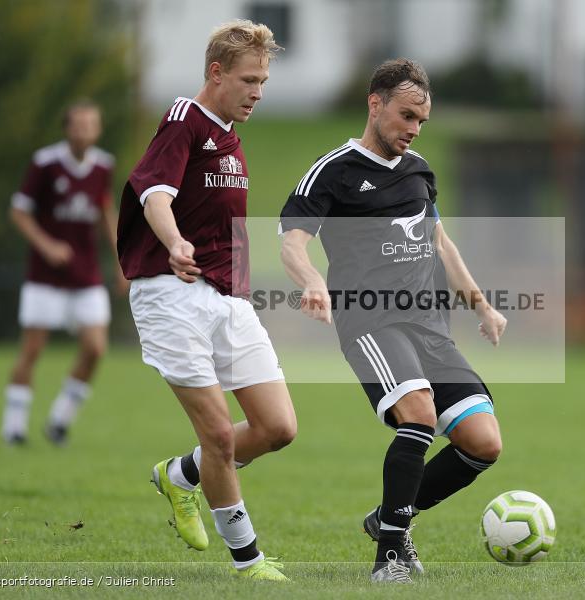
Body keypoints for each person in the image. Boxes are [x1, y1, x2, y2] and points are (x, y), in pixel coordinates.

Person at [280, 58, 506, 583]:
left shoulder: (419, 170)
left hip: (430, 326)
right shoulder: (333, 171)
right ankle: (389, 558)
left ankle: (388, 517)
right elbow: (292, 242)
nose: (414, 129)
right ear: (375, 104)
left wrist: (482, 305)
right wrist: (311, 281)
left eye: (421, 121)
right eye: (406, 116)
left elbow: (441, 244)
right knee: (419, 414)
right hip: (370, 322)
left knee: (483, 443)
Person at [116, 20, 294, 581]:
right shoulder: (183, 120)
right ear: (216, 73)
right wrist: (174, 243)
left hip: (228, 296)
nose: (258, 92)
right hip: (171, 293)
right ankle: (249, 562)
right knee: (218, 435)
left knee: (277, 427)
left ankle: (180, 476)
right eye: (249, 80)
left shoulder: (230, 135)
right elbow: (154, 195)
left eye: (263, 82)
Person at [2, 100, 126, 446]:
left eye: (91, 125)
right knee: (32, 350)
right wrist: (47, 245)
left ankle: (59, 421)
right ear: (67, 129)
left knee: (96, 348)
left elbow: (105, 212)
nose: (85, 131)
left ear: (98, 130)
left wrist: (122, 261)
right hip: (45, 276)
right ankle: (14, 427)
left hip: (86, 274)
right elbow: (19, 212)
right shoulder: (45, 163)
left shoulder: (103, 166)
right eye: (79, 125)